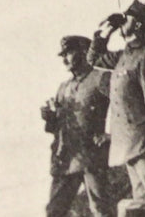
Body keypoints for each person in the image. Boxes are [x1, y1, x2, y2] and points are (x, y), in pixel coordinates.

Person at [89, 0, 145, 204]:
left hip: (144, 145)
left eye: (126, 20)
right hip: (130, 144)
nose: (122, 24)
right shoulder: (126, 54)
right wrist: (105, 32)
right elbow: (94, 59)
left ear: (137, 25)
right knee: (143, 202)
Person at [42, 35, 112, 217]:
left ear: (83, 53)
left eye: (69, 53)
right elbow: (54, 128)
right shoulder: (63, 87)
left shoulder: (101, 78)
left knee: (100, 210)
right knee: (54, 211)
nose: (64, 59)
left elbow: (127, 106)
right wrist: (49, 117)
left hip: (93, 157)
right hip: (66, 159)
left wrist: (111, 135)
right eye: (62, 55)